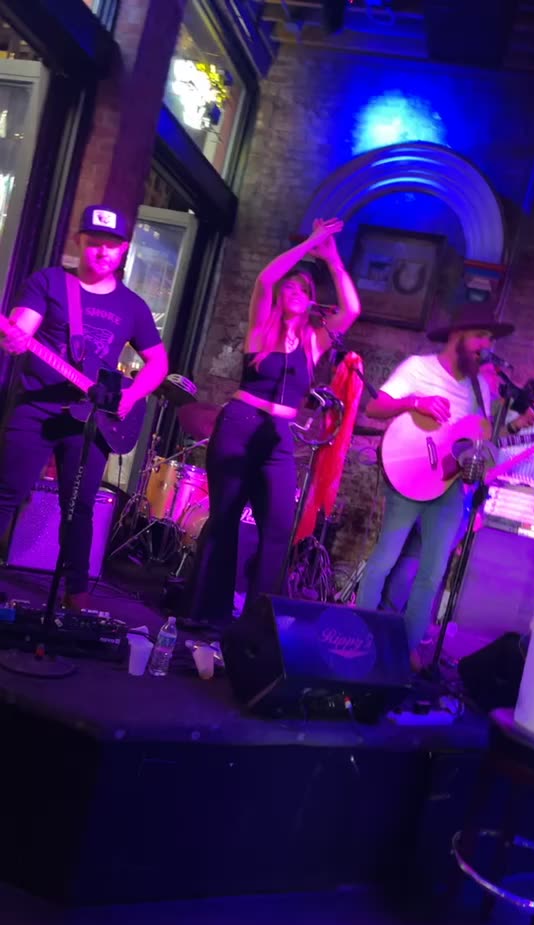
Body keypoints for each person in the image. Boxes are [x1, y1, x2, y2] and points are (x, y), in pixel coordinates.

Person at [188, 217, 361, 626]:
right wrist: (310, 242)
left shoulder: (314, 341)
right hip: (239, 426)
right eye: (290, 287)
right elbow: (265, 279)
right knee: (225, 519)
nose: (295, 293)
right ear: (280, 295)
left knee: (279, 528)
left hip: (278, 438)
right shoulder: (260, 329)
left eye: (303, 290)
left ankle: (256, 622)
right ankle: (206, 614)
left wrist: (332, 259)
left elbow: (352, 309)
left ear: (311, 300)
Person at [0, 204, 168, 609]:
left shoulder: (132, 306)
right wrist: (14, 337)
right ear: (79, 241)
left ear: (124, 249)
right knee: (6, 492)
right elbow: (21, 329)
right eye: (95, 243)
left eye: (112, 245)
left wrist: (131, 396)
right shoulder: (48, 282)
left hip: (91, 419)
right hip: (37, 408)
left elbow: (159, 364)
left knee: (80, 507)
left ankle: (76, 593)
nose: (102, 252)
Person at [355, 303, 514, 671]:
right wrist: (415, 402)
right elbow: (375, 408)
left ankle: (405, 649)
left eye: (490, 339)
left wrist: (507, 434)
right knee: (385, 558)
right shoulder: (418, 367)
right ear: (458, 335)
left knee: (432, 572)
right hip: (410, 474)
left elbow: (477, 443)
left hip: (449, 486)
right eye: (481, 336)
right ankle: (359, 633)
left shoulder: (480, 388)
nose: (487, 345)